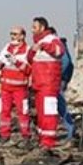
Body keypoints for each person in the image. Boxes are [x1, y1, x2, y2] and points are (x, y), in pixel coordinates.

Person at [27, 17, 65, 151]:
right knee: (41, 115)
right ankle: (42, 139)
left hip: (48, 84)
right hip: (38, 85)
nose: (32, 30)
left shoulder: (51, 39)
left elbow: (59, 50)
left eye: (34, 27)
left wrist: (43, 46)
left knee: (48, 113)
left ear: (42, 27)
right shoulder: (38, 42)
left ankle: (48, 142)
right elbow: (30, 59)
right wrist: (32, 50)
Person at [0, 26, 30, 143]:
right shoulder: (7, 48)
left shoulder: (27, 50)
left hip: (20, 88)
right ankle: (5, 135)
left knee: (23, 112)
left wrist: (16, 61)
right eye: (11, 34)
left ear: (22, 36)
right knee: (4, 111)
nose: (13, 36)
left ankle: (26, 135)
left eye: (15, 34)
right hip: (6, 87)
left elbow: (29, 69)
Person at [51, 27, 76, 138]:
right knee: (56, 105)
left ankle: (70, 128)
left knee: (59, 105)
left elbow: (66, 62)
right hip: (60, 79)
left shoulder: (59, 45)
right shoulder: (59, 45)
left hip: (58, 80)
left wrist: (57, 75)